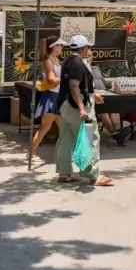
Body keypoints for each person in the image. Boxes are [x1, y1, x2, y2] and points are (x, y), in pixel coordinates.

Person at [55, 35, 113, 186]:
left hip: (66, 105)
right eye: (88, 47)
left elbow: (79, 86)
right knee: (89, 137)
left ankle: (64, 172)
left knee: (66, 139)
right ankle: (93, 174)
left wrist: (93, 94)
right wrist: (82, 108)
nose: (89, 49)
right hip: (76, 106)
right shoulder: (77, 64)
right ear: (84, 48)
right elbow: (74, 87)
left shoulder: (69, 60)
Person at [31, 37, 64, 160]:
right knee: (45, 128)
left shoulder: (57, 60)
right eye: (59, 45)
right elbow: (51, 80)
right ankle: (31, 153)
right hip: (51, 96)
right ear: (53, 47)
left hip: (59, 96)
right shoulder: (48, 61)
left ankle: (63, 154)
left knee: (64, 128)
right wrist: (66, 78)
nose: (61, 47)